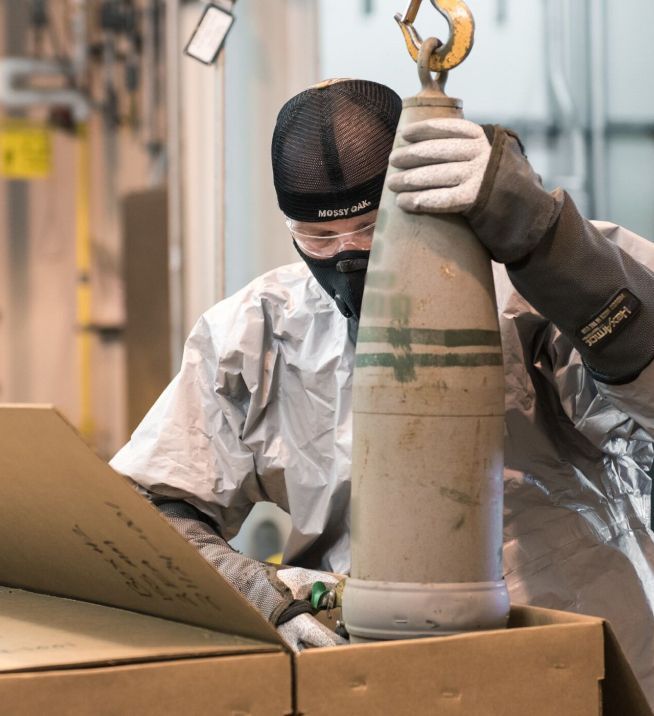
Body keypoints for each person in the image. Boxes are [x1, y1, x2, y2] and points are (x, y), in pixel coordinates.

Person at [110, 78, 654, 700]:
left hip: (580, 657)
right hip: (375, 672)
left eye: (370, 228)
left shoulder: (543, 280)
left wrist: (552, 245)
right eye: (318, 238)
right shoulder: (257, 332)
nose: (346, 256)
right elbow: (143, 511)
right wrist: (267, 598)